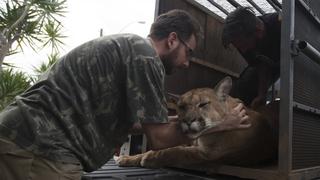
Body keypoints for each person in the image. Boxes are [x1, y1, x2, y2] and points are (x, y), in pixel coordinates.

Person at [0, 9, 250, 180]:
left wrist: (176, 121)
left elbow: (133, 123)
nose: (187, 63)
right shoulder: (146, 57)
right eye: (189, 52)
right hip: (39, 149)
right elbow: (159, 140)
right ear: (173, 40)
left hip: (21, 137)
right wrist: (221, 124)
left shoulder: (130, 48)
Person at [222, 7, 281, 108]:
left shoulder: (278, 23)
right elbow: (261, 66)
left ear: (258, 31)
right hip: (270, 65)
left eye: (244, 44)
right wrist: (261, 94)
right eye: (239, 47)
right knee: (240, 90)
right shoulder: (244, 44)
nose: (243, 50)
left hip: (293, 60)